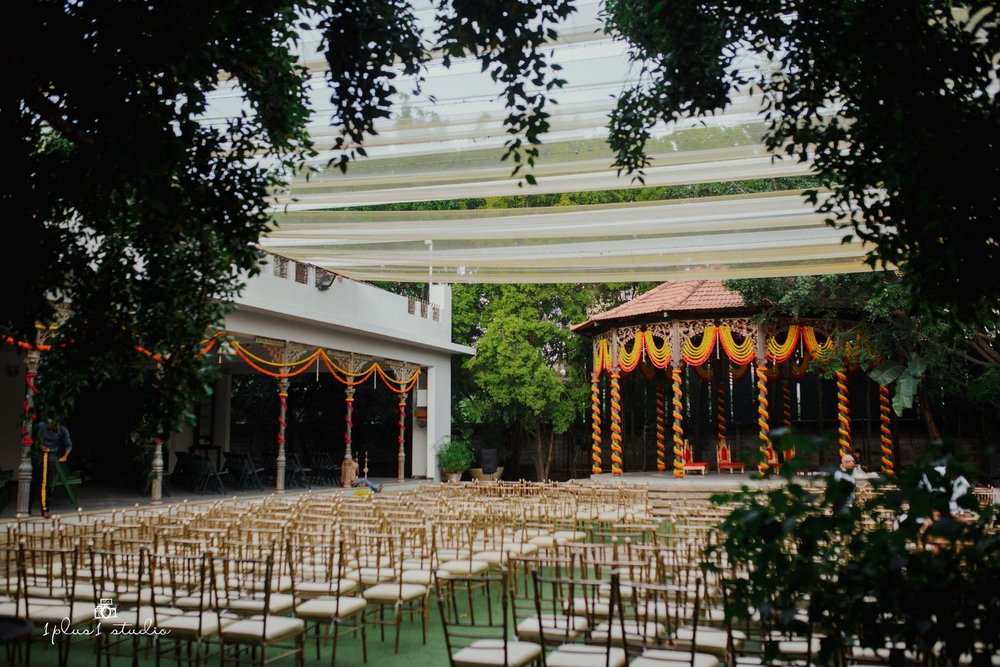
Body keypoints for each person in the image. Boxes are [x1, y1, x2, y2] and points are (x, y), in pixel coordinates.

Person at [31, 416, 73, 518]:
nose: (54, 426)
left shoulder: (62, 430)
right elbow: (30, 437)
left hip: (51, 458)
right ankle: (27, 509)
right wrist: (39, 445)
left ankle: (45, 510)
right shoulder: (41, 426)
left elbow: (69, 445)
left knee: (48, 485)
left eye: (56, 425)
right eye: (53, 424)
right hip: (38, 457)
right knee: (34, 483)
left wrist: (65, 456)